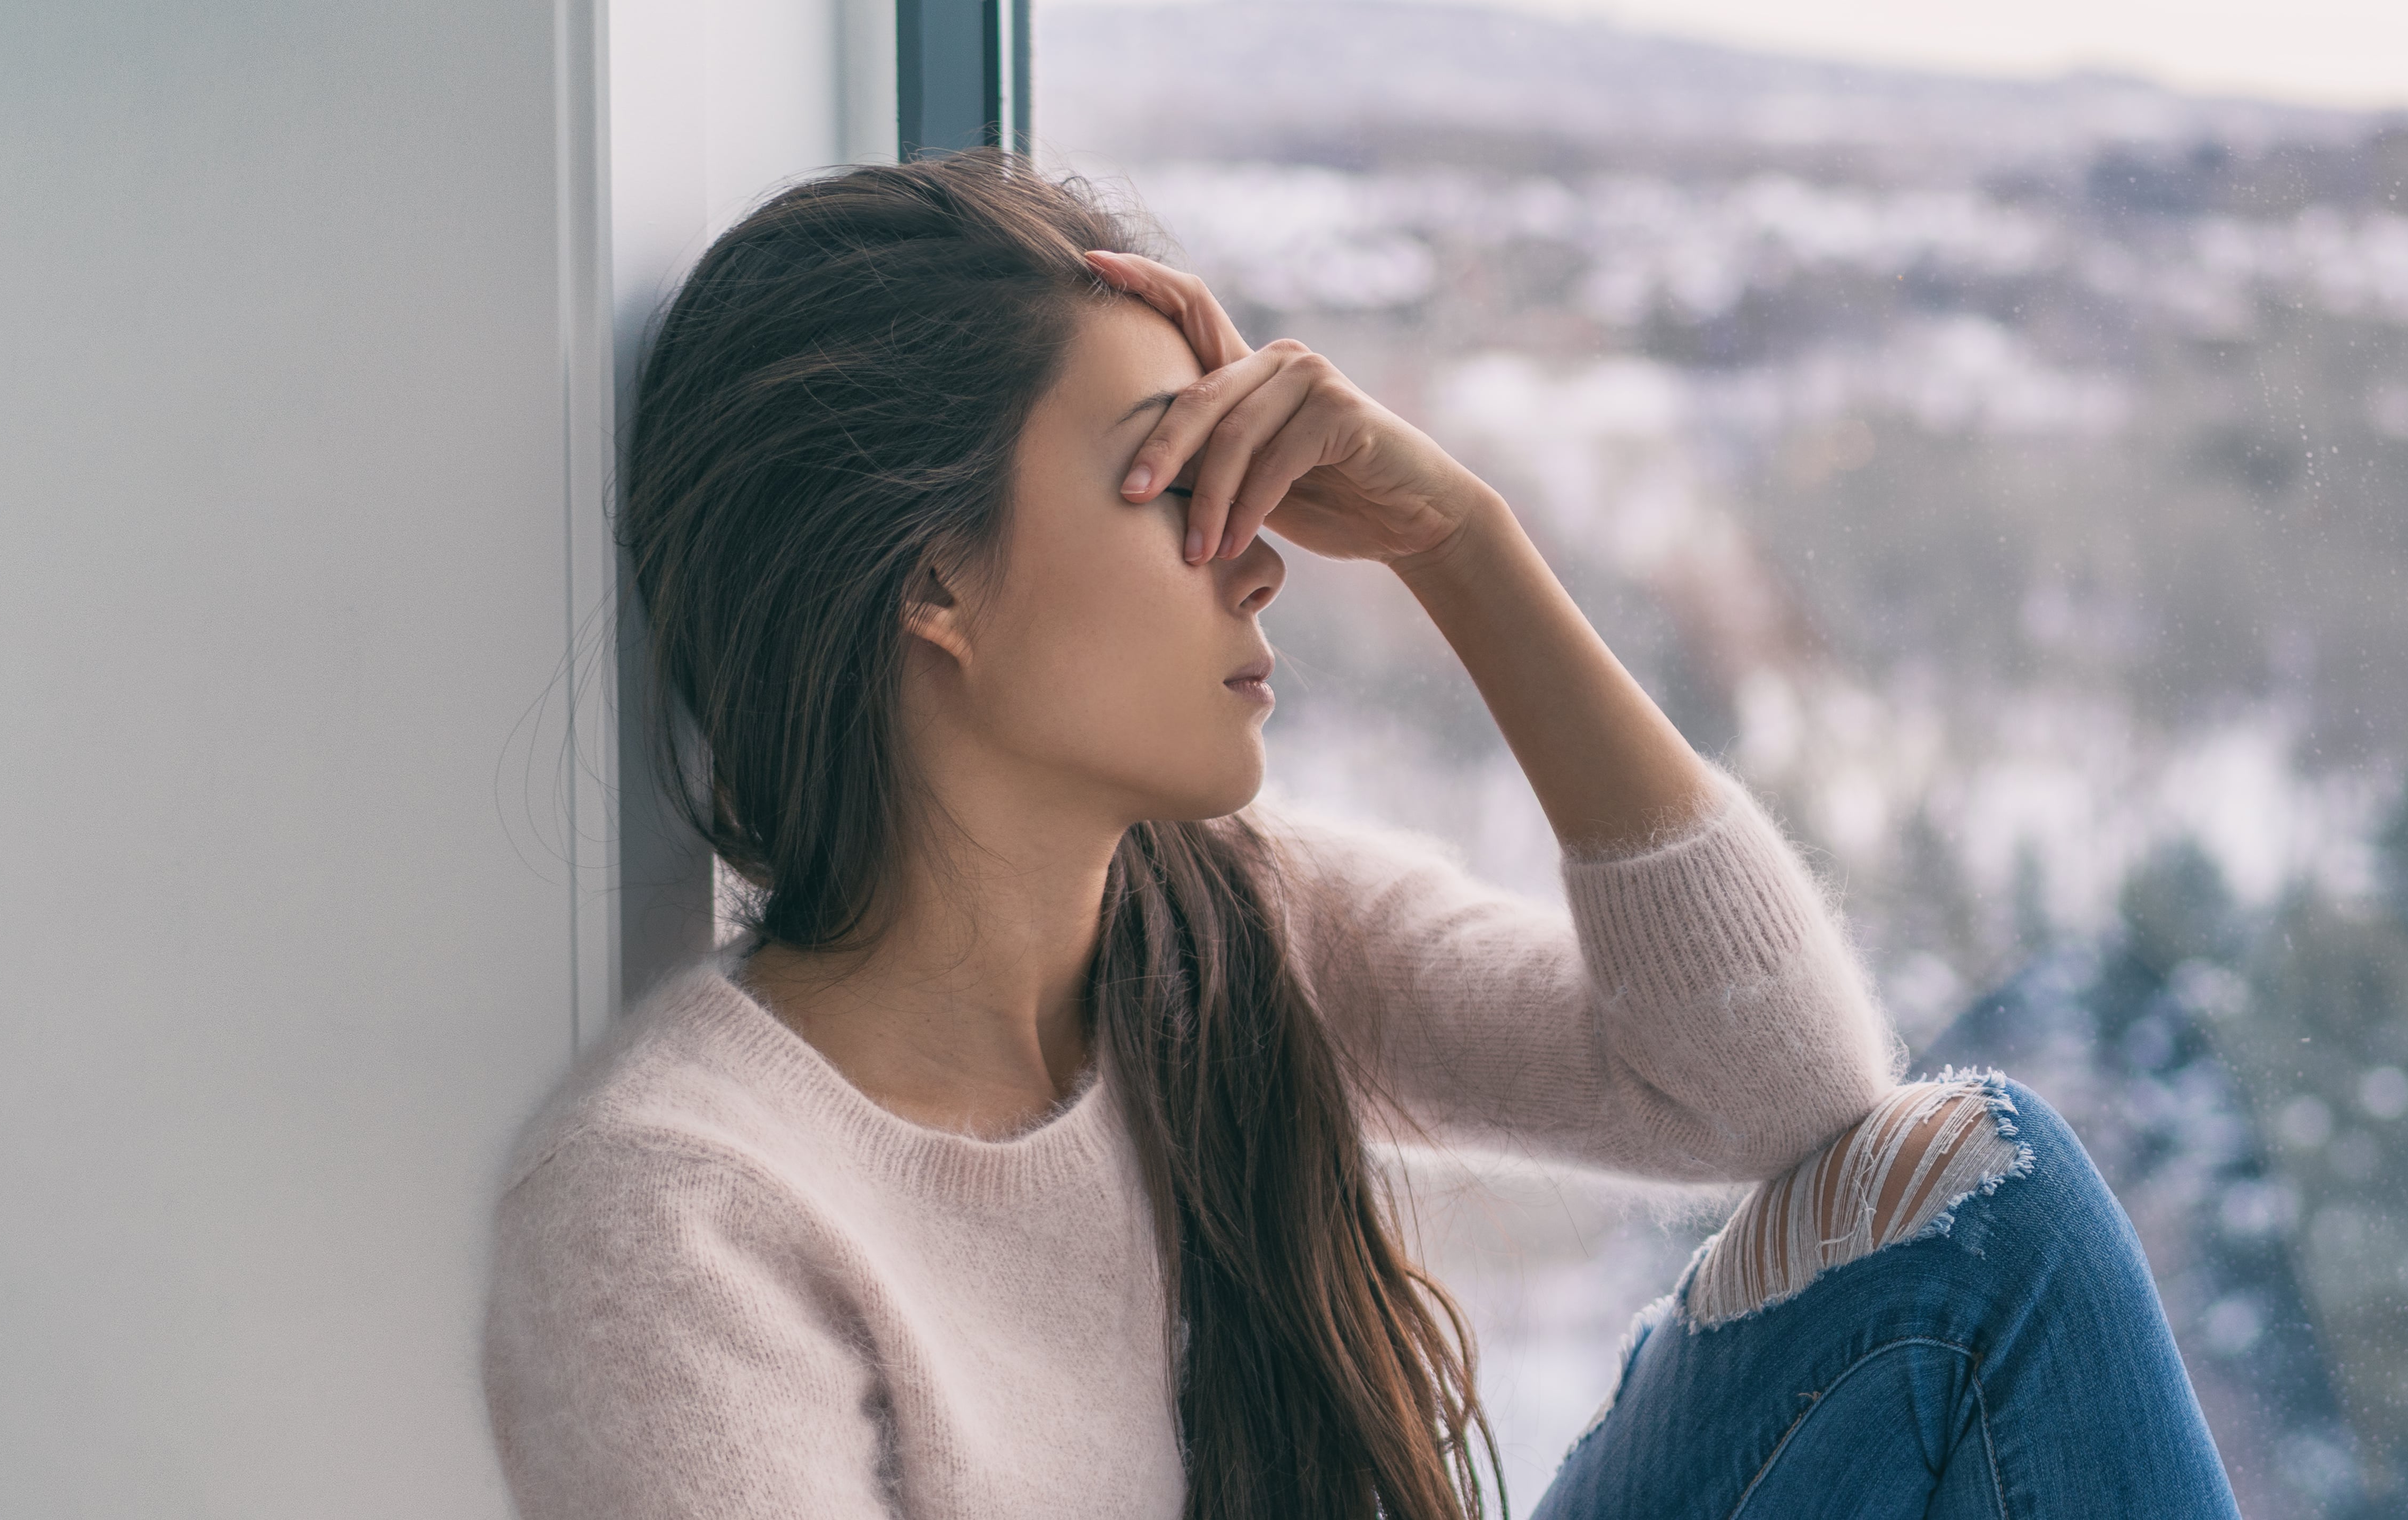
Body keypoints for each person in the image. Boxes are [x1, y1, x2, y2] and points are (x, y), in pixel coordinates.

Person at [482, 150, 2236, 1520]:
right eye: (1173, 479)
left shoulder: (1237, 925)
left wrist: (1462, 544)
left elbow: (1784, 1098)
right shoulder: (680, 1212)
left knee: (1988, 1198)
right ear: (932, 578)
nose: (1259, 552)